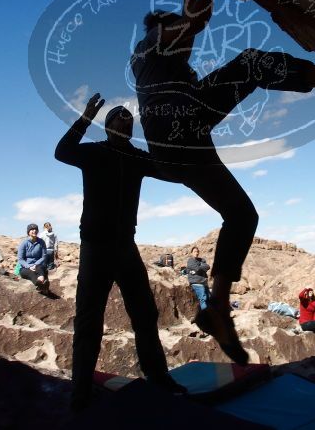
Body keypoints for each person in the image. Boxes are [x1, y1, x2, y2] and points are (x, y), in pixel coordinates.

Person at [130, 0, 315, 364]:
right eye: (173, 26)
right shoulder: (153, 42)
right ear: (160, 27)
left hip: (176, 147)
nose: (186, 38)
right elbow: (197, 17)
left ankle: (217, 307)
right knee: (250, 63)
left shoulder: (153, 58)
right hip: (183, 127)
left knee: (242, 215)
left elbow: (193, 18)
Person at [55, 93, 186, 411]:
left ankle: (159, 378)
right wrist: (85, 117)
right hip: (95, 249)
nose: (125, 122)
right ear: (108, 126)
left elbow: (170, 170)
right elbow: (62, 152)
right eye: (118, 118)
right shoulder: (94, 152)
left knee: (145, 314)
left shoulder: (136, 158)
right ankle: (80, 393)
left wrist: (164, 131)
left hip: (126, 247)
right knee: (89, 320)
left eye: (129, 120)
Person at [18, 223, 50, 294]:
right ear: (28, 232)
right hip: (26, 267)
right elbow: (20, 259)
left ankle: (41, 281)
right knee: (31, 273)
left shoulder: (41, 242)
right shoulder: (24, 243)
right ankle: (42, 284)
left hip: (38, 265)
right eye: (32, 229)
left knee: (40, 268)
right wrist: (29, 266)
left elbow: (44, 256)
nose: (34, 231)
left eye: (36, 229)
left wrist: (35, 264)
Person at [186, 246, 210, 310]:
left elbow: (208, 267)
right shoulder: (190, 261)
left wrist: (200, 267)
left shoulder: (201, 260)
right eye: (195, 251)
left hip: (204, 283)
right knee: (203, 299)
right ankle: (205, 316)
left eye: (197, 251)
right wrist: (201, 266)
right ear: (191, 253)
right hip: (197, 283)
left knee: (209, 298)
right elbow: (198, 269)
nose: (196, 253)